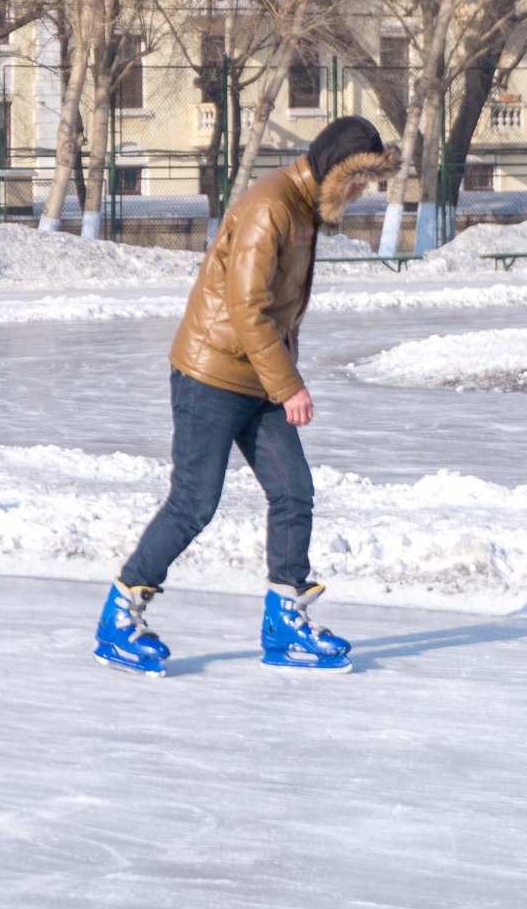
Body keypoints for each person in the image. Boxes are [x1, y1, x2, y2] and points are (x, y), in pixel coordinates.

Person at [94, 117, 399, 676]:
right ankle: (121, 614)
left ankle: (284, 621)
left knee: (293, 490)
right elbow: (247, 307)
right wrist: (290, 385)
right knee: (193, 504)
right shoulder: (270, 206)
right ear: (335, 169)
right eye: (358, 179)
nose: (361, 192)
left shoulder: (302, 209)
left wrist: (279, 377)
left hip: (257, 375)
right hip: (211, 375)